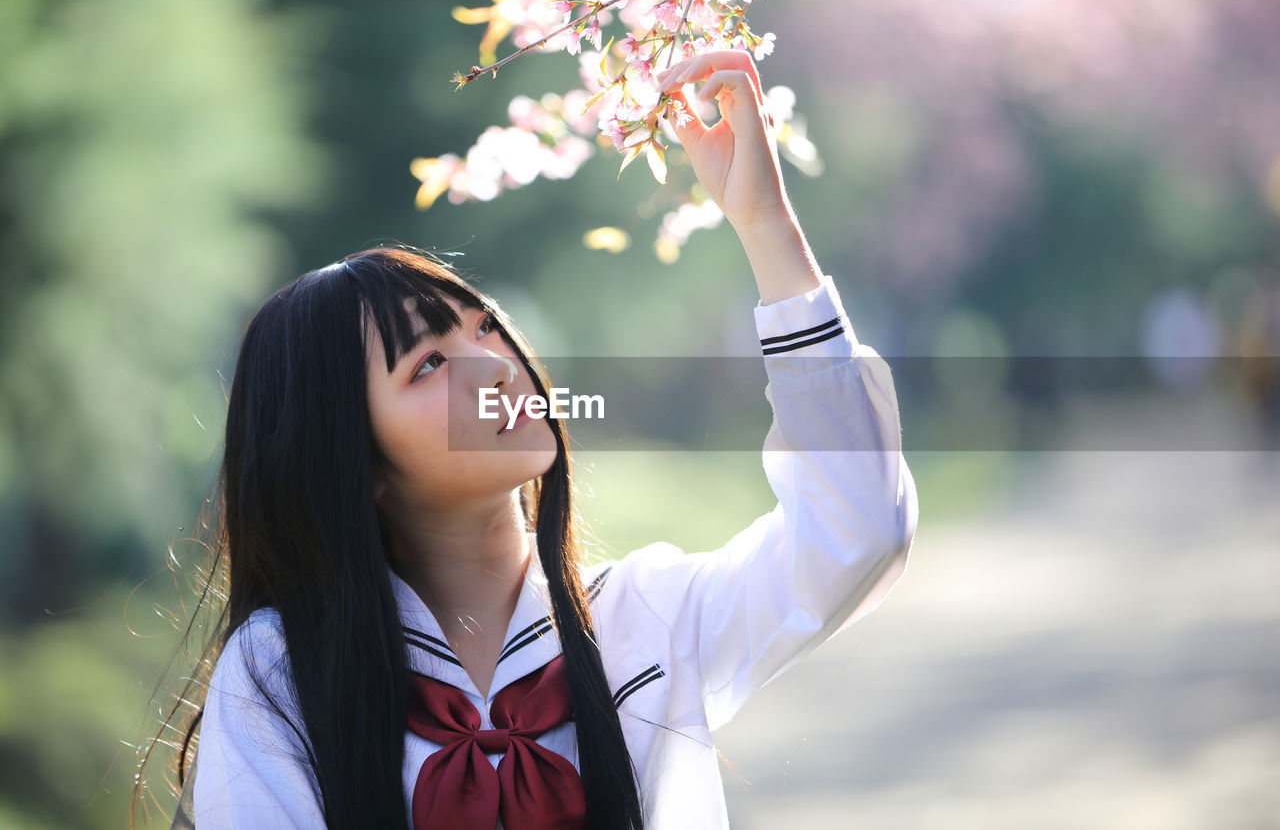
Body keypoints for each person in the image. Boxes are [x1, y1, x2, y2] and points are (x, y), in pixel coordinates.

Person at [139, 49, 919, 829]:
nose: (496, 365)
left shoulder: (640, 620)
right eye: (430, 362)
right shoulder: (283, 674)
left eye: (485, 325)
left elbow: (857, 532)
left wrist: (763, 224)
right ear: (355, 461)